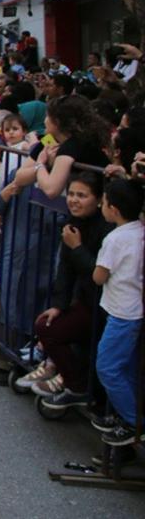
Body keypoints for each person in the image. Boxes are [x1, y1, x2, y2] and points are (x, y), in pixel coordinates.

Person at [29, 171, 112, 406]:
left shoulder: (107, 230)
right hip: (84, 300)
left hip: (105, 305)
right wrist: (58, 306)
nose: (74, 200)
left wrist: (76, 248)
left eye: (82, 195)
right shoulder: (72, 222)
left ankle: (79, 387)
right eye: (72, 194)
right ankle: (74, 382)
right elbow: (64, 270)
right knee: (46, 324)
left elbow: (98, 275)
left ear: (98, 200)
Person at [92, 177, 144, 447]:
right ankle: (129, 418)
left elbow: (99, 276)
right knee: (128, 369)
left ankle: (133, 421)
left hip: (122, 312)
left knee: (108, 367)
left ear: (113, 208)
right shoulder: (140, 231)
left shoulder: (115, 238)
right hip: (133, 310)